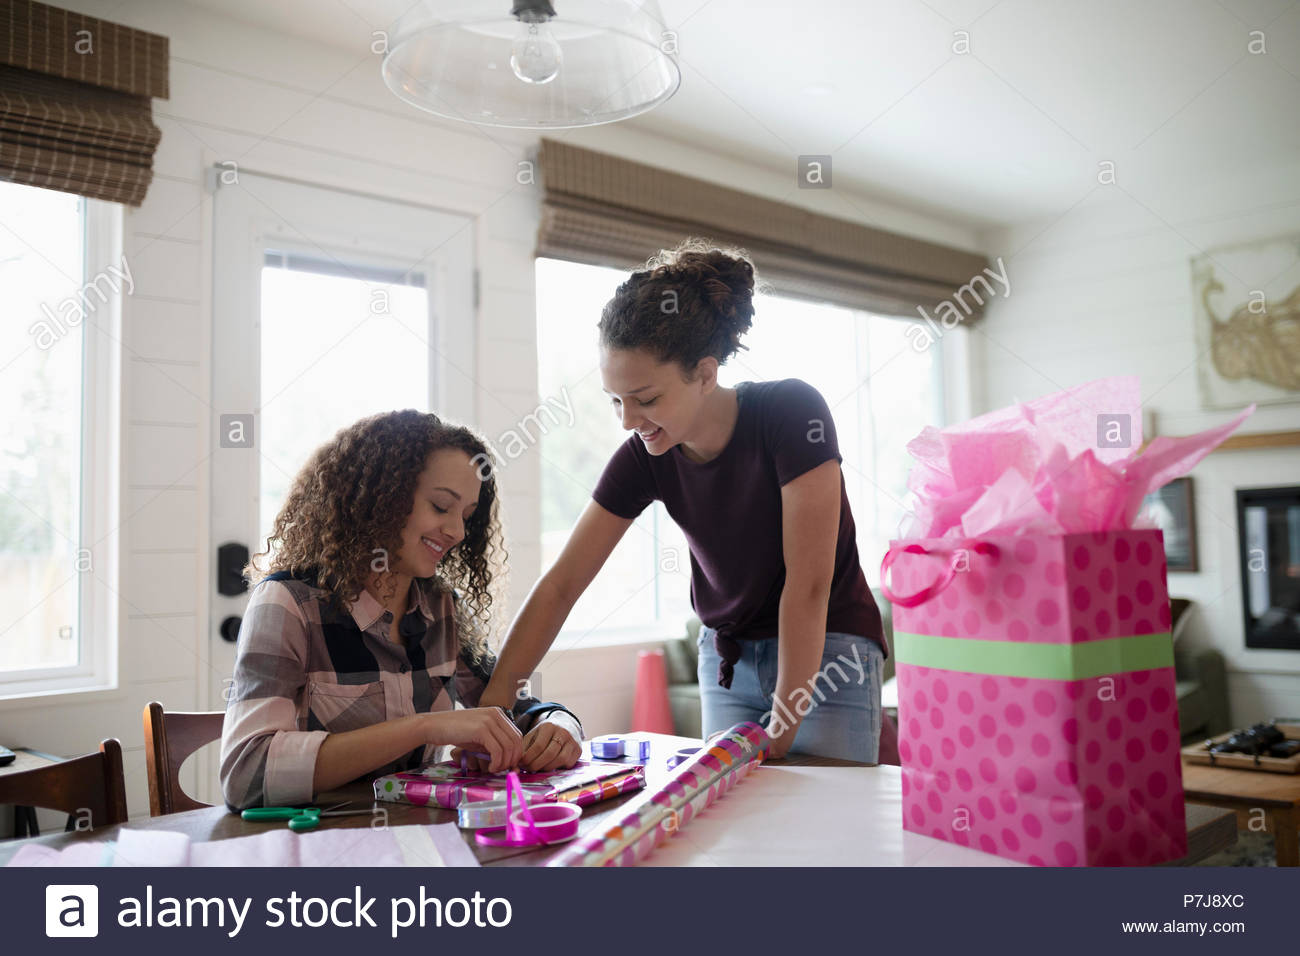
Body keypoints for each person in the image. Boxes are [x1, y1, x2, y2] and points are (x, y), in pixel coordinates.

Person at [479, 240, 888, 762]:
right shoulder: (646, 454)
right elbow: (561, 585)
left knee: (823, 824)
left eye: (646, 399)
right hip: (727, 659)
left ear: (705, 373)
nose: (628, 421)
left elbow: (807, 588)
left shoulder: (790, 413)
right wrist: (490, 709)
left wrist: (782, 729)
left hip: (828, 649)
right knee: (734, 830)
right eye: (616, 401)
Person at [220, 410, 583, 811]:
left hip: (419, 842)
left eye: (466, 516)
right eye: (441, 505)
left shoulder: (439, 609)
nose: (458, 533)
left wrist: (559, 725)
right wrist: (424, 726)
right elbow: (245, 776)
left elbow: (507, 703)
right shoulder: (289, 604)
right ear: (380, 497)